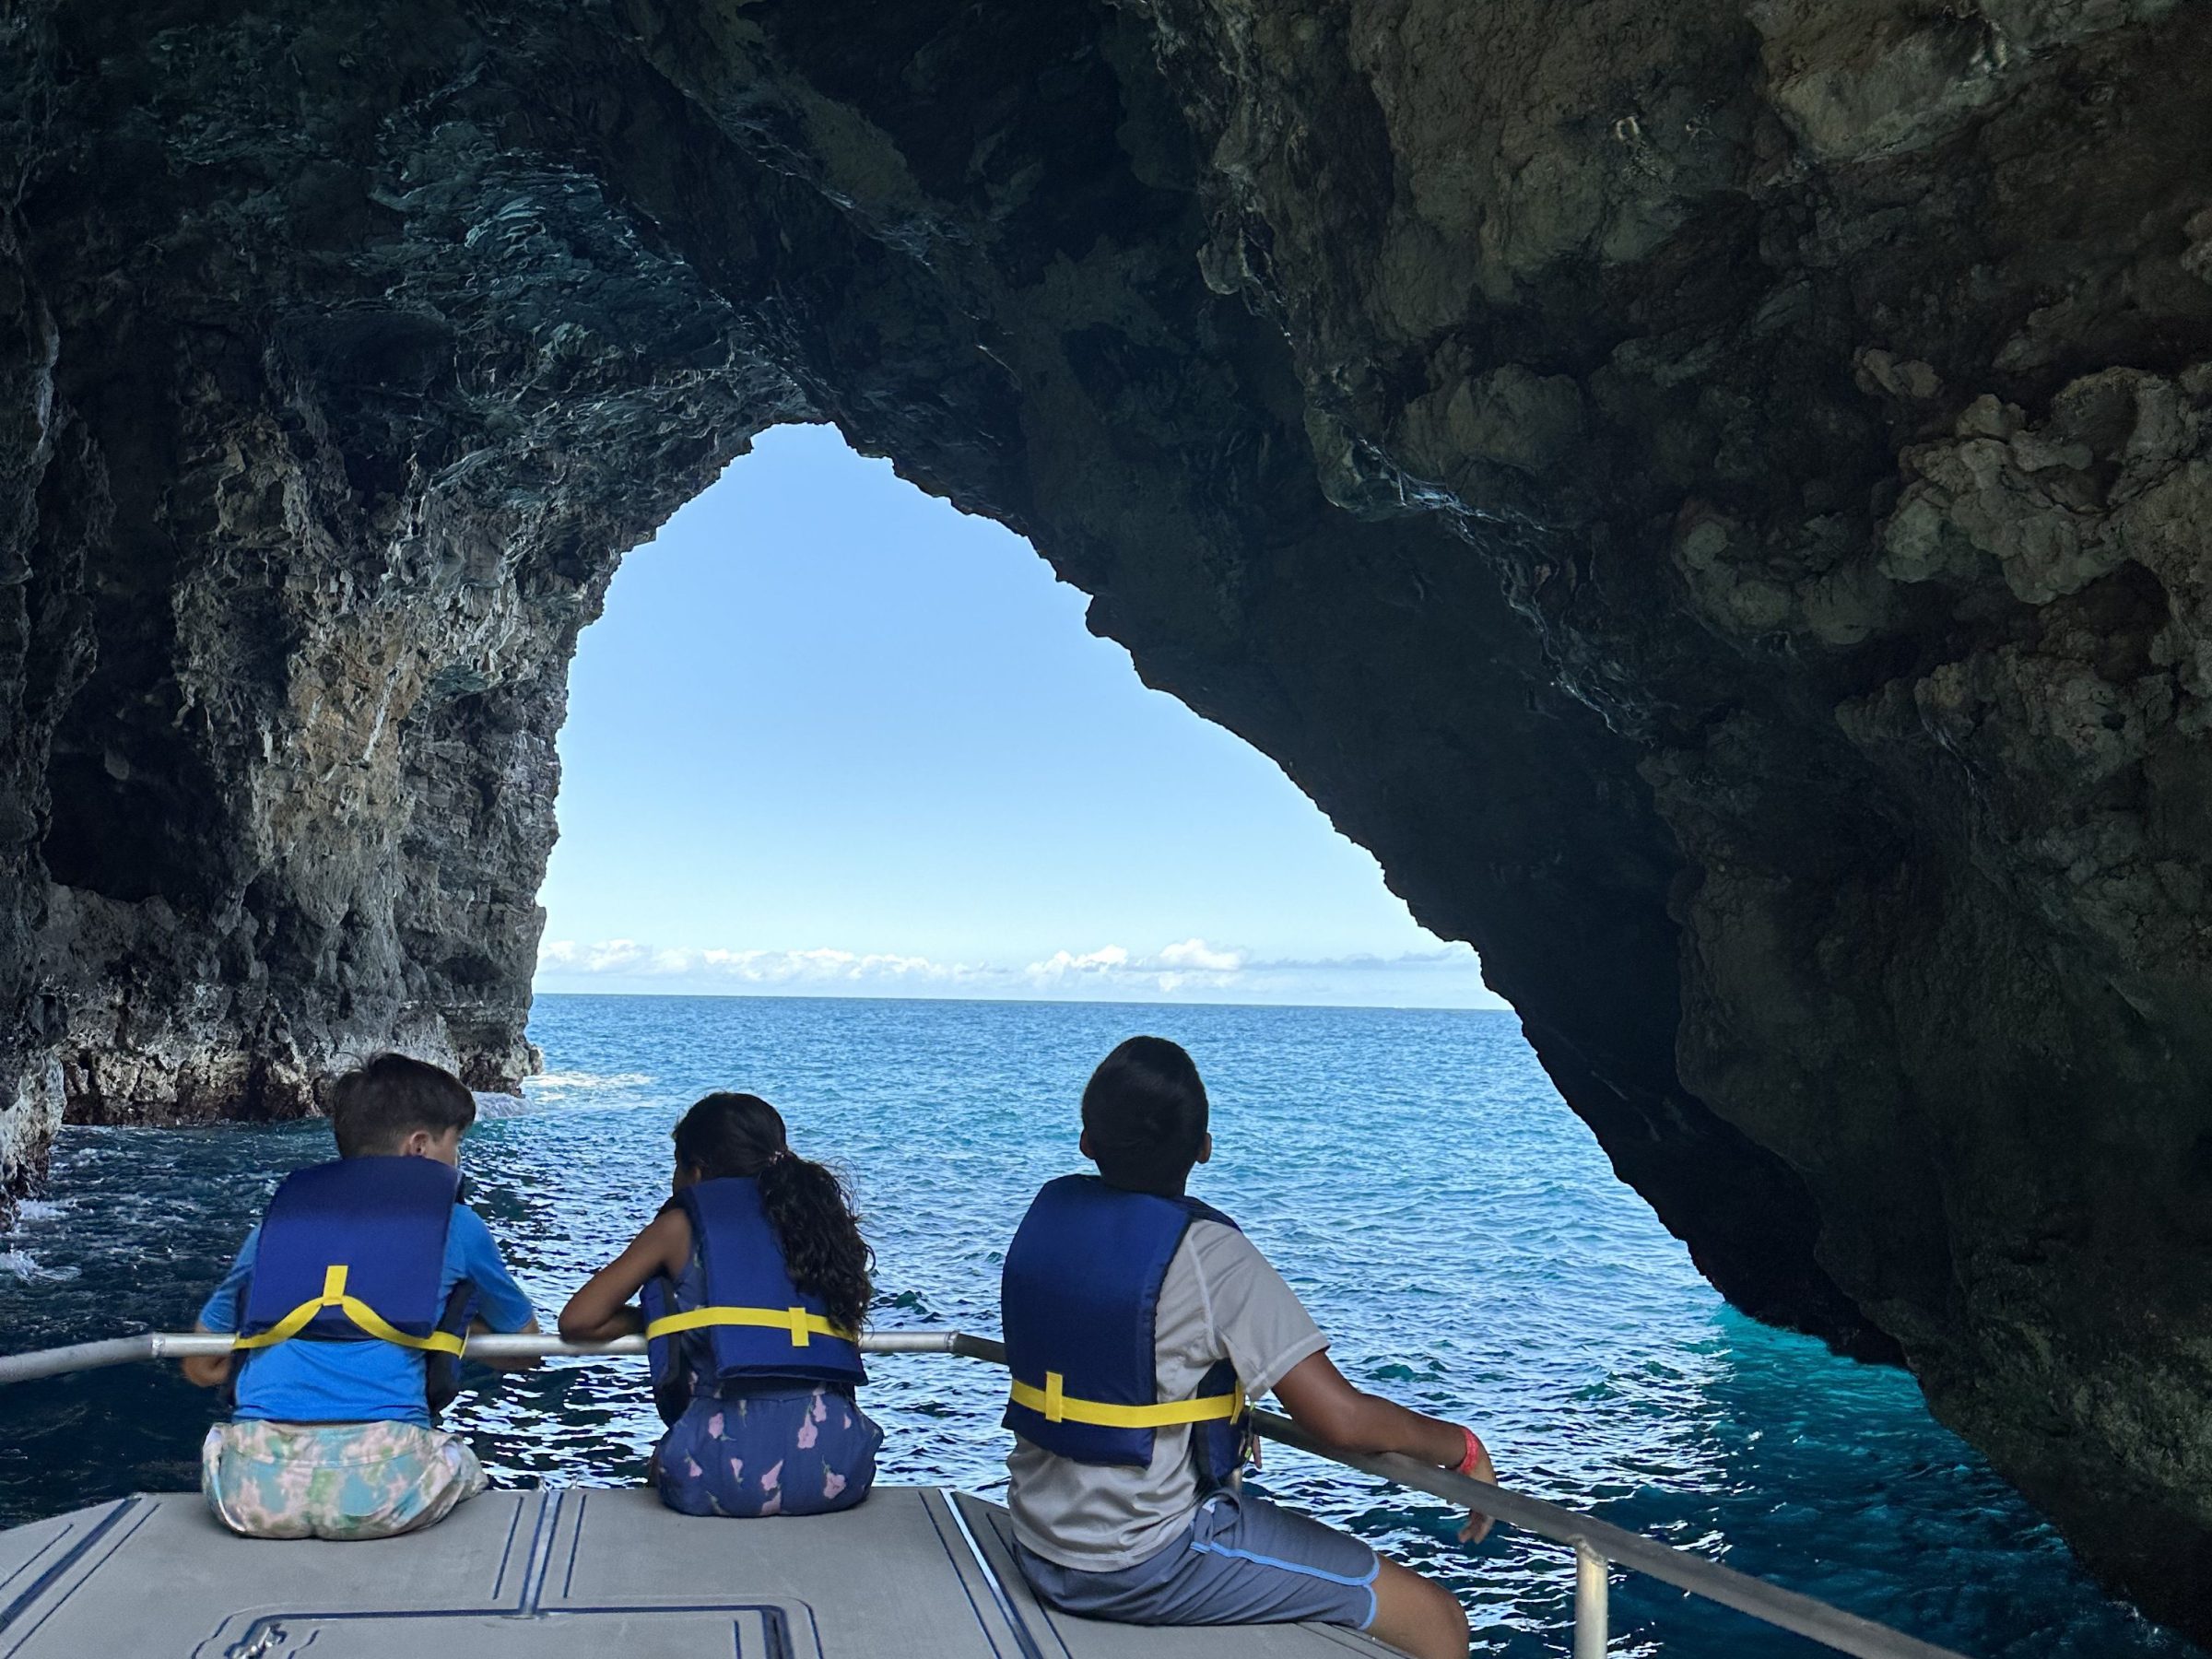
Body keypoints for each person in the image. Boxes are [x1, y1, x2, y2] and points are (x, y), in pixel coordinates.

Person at [999, 1036, 1496, 1659]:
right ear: (1204, 1149)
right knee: (1439, 1619)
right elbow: (1339, 1421)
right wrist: (1460, 1445)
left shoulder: (1048, 1219)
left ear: (1087, 1141)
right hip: (1140, 1558)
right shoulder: (1210, 1255)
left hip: (1039, 1537)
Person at [183, 1053, 542, 1540]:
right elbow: (524, 1352)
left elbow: (200, 1366)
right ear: (419, 1146)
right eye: (455, 1142)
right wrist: (451, 1327)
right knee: (464, 1461)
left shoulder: (275, 1226)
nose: (458, 1158)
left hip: (250, 1489)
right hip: (383, 1491)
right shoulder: (458, 1227)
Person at [559, 1091, 883, 1517]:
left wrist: (663, 1322)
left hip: (719, 1474)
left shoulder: (678, 1227)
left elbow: (578, 1320)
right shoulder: (820, 1225)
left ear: (696, 1171)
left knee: (668, 1464)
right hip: (838, 1468)